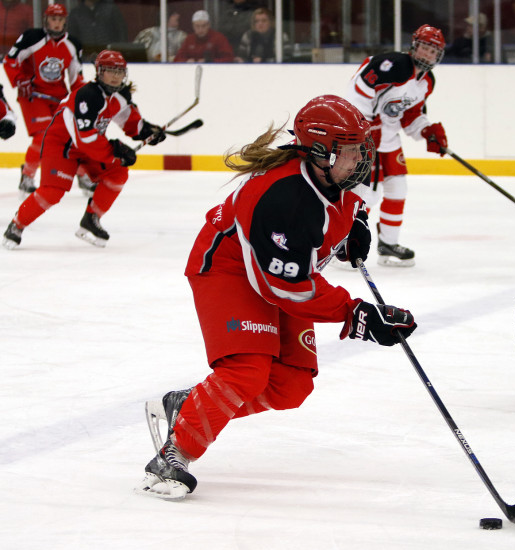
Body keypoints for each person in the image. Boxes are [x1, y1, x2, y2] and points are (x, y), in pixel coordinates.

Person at [134, 94, 417, 500]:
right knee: (247, 370)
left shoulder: (325, 176)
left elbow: (339, 207)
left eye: (361, 148)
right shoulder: (282, 199)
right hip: (228, 271)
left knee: (291, 385)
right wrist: (355, 314)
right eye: (351, 150)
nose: (360, 159)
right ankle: (172, 456)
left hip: (271, 273)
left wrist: (354, 225)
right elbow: (284, 287)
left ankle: (192, 406)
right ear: (321, 151)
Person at [2, 50, 166, 250]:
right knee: (52, 192)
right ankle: (17, 225)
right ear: (99, 72)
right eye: (110, 70)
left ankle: (91, 219)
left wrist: (147, 131)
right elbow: (85, 138)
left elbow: (128, 119)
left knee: (117, 173)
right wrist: (115, 150)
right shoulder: (87, 95)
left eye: (119, 71)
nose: (115, 76)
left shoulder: (121, 94)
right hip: (62, 146)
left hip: (89, 146)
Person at [345, 24, 449, 267]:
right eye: (424, 47)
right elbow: (358, 91)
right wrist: (366, 127)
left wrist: (427, 131)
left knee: (398, 190)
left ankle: (388, 244)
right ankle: (344, 243)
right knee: (367, 196)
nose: (426, 54)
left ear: (439, 55)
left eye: (432, 51)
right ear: (414, 46)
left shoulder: (426, 82)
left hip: (389, 140)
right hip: (367, 139)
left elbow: (410, 114)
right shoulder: (394, 65)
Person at [2, 4, 96, 198]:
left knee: (71, 134)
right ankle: (27, 176)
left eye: (60, 19)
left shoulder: (73, 44)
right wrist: (20, 79)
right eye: (53, 19)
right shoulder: (32, 38)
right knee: (43, 135)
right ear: (46, 20)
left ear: (65, 22)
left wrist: (80, 100)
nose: (56, 23)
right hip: (32, 94)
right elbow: (11, 61)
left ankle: (82, 174)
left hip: (58, 96)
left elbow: (76, 78)